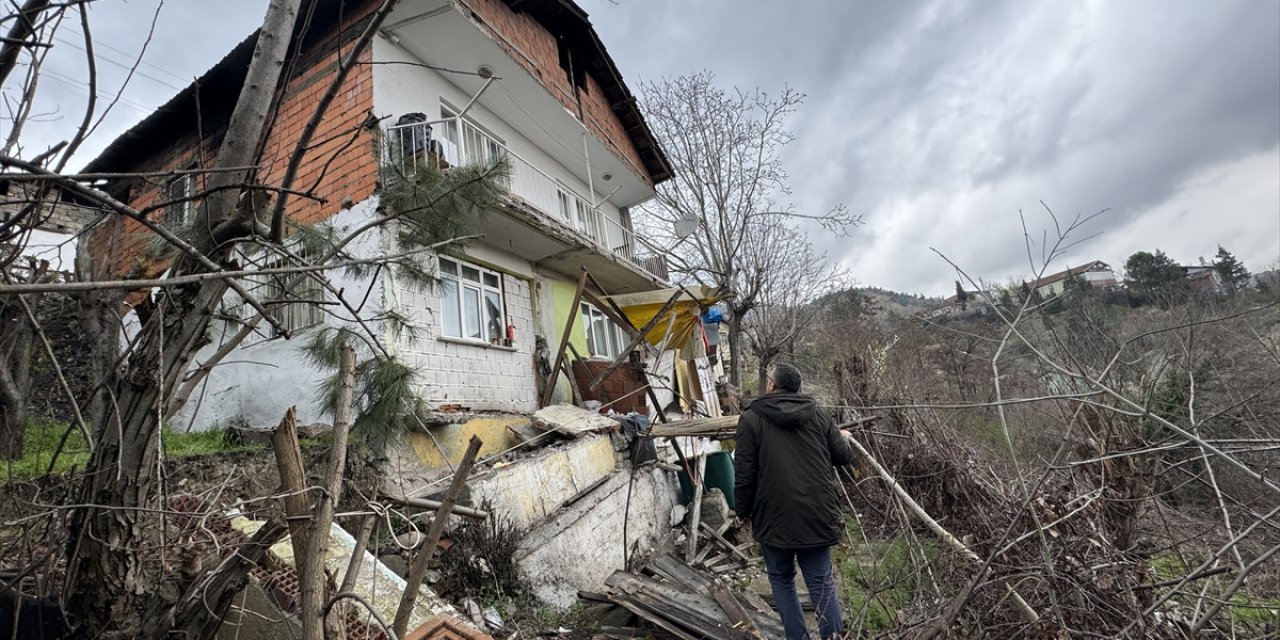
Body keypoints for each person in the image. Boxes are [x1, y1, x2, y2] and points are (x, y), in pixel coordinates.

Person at [735, 362, 855, 640]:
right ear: (797, 388)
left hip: (773, 516)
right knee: (822, 584)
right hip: (817, 514)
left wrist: (742, 510)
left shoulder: (751, 418)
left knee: (781, 581)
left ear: (772, 385)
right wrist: (842, 439)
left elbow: (744, 473)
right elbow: (842, 457)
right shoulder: (820, 415)